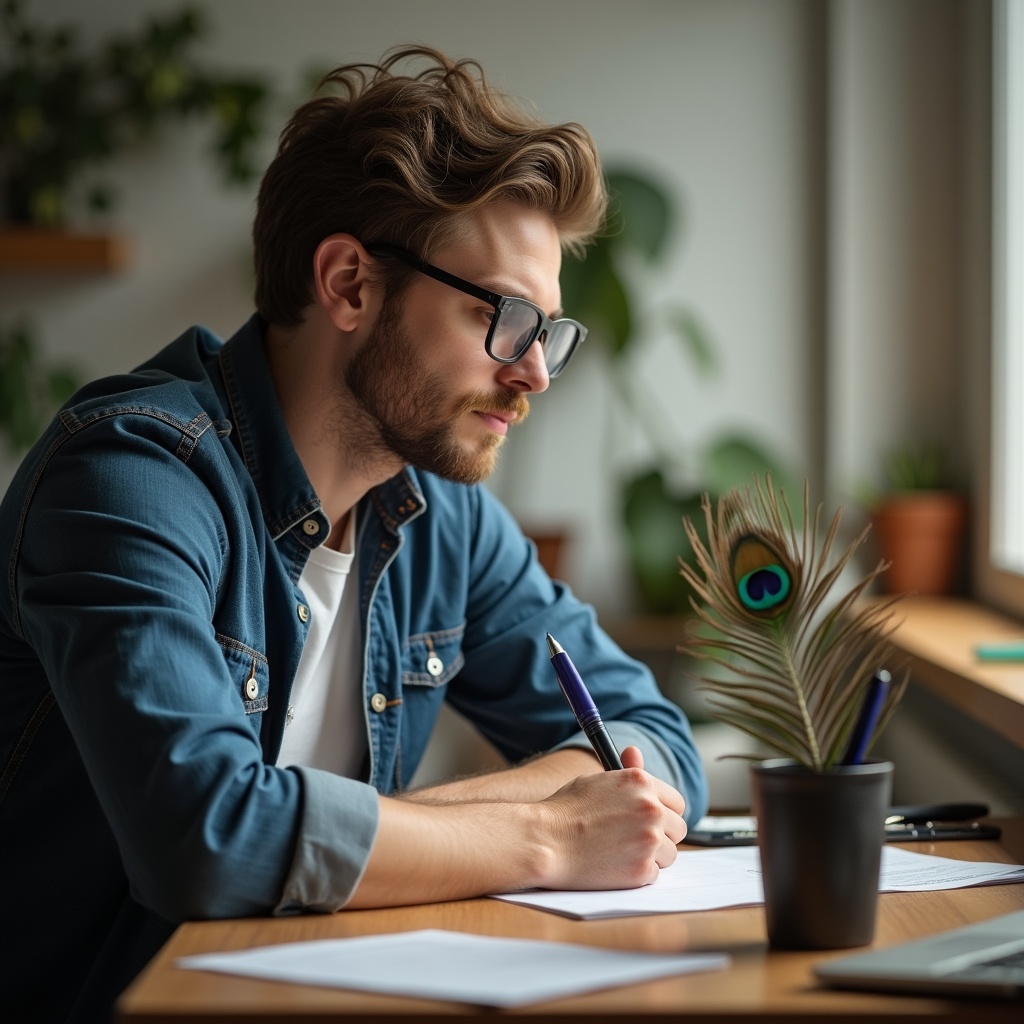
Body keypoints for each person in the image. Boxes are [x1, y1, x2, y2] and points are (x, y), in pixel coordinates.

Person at [0, 46, 708, 1023]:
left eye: (548, 331)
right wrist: (546, 836)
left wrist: (384, 821)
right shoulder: (128, 480)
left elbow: (656, 740)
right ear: (348, 284)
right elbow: (207, 835)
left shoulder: (440, 514)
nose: (535, 371)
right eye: (501, 316)